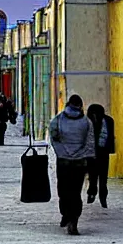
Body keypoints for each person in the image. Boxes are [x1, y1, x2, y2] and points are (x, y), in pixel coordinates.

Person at [49, 94, 95, 235]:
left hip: (63, 161)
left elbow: (53, 136)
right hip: (79, 163)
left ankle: (65, 214)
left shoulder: (58, 119)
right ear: (81, 106)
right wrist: (84, 155)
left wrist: (61, 152)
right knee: (75, 192)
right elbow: (90, 143)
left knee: (63, 190)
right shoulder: (87, 122)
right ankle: (73, 220)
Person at [86, 104, 115, 208]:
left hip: (103, 152)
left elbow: (110, 135)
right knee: (93, 177)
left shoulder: (108, 120)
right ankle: (92, 193)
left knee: (103, 177)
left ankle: (102, 198)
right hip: (92, 152)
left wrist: (110, 148)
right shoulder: (88, 121)